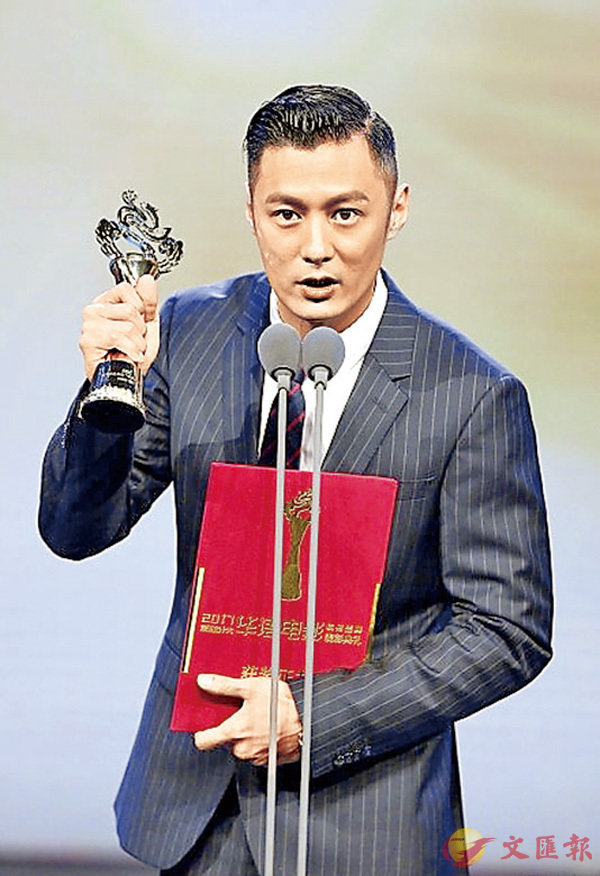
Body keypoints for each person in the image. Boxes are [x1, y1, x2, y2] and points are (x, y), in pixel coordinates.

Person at [39, 85, 553, 875]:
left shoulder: (471, 394)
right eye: (287, 214)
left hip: (367, 823)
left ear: (397, 208)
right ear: (251, 212)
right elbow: (76, 531)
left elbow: (507, 628)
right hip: (196, 809)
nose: (317, 247)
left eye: (345, 214)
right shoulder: (188, 333)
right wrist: (107, 394)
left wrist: (314, 716)